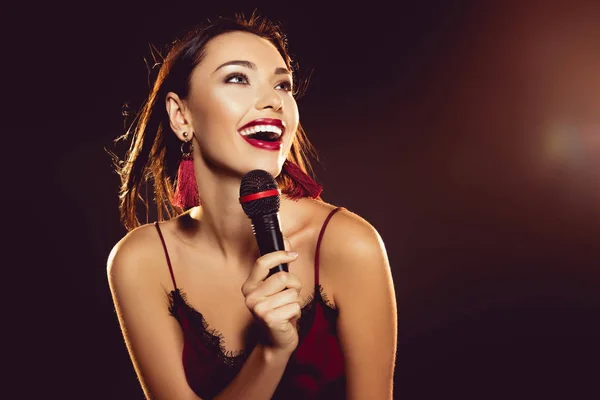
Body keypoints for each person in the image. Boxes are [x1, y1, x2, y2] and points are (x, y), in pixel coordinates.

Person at [107, 12, 397, 400]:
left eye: (283, 84)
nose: (272, 100)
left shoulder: (348, 244)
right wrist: (272, 352)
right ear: (181, 116)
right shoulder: (142, 260)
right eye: (237, 78)